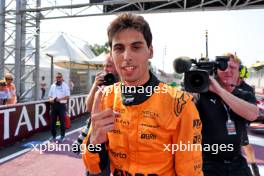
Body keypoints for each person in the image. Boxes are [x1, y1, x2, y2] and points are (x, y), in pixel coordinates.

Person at [82, 12, 203, 176]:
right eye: (119, 48)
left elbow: (190, 171)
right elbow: (93, 167)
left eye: (136, 47)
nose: (127, 57)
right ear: (112, 53)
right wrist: (94, 142)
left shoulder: (180, 104)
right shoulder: (105, 97)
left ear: (150, 51)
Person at [195, 53, 259, 176]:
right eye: (223, 66)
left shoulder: (245, 95)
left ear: (239, 72)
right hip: (208, 163)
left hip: (237, 161)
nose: (228, 71)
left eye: (233, 68)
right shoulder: (202, 95)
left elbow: (253, 115)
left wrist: (219, 91)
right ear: (215, 70)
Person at [236, 65, 260, 176]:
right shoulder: (224, 85)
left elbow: (252, 109)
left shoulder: (248, 89)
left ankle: (255, 170)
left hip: (240, 123)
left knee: (246, 147)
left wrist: (246, 122)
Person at [48, 72, 70, 142]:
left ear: (62, 78)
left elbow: (67, 96)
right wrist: (51, 99)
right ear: (56, 78)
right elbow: (49, 96)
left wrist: (59, 99)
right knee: (52, 122)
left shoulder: (65, 86)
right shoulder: (52, 86)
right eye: (57, 77)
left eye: (59, 77)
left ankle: (62, 136)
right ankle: (53, 136)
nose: (58, 79)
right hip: (53, 105)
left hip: (61, 106)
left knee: (62, 122)